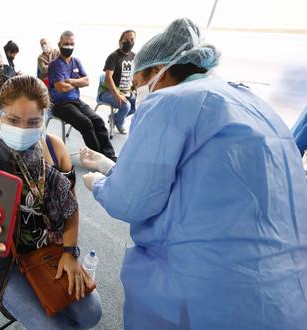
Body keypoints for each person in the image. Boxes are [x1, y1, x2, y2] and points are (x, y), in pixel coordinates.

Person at [79, 18, 307, 330]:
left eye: (139, 82)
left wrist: (101, 183)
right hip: (287, 288)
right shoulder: (251, 102)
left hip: (209, 291)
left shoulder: (169, 103)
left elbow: (130, 200)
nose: (139, 91)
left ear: (159, 70)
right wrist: (108, 164)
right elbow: (204, 178)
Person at [0, 75, 103, 329]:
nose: (22, 129)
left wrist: (69, 252)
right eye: (13, 120)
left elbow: (70, 208)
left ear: (44, 120)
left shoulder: (53, 150)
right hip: (2, 262)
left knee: (92, 314)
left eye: (33, 122)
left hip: (47, 248)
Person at [48, 30, 116, 161]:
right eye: (66, 44)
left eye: (71, 44)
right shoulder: (55, 65)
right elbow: (61, 88)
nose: (69, 47)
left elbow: (87, 81)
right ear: (59, 44)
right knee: (85, 123)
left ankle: (109, 156)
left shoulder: (76, 61)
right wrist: (78, 82)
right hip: (60, 104)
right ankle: (97, 158)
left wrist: (71, 81)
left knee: (98, 121)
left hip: (76, 100)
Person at [98, 30, 137, 134]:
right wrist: (117, 95)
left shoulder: (134, 56)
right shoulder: (113, 56)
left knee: (137, 104)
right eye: (126, 39)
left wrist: (136, 90)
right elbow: (108, 78)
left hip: (125, 90)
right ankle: (119, 124)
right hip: (108, 92)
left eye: (132, 39)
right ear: (120, 41)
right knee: (126, 106)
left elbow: (134, 76)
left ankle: (115, 117)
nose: (129, 42)